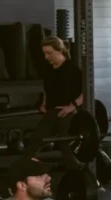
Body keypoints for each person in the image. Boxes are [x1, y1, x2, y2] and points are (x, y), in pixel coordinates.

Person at [23, 36, 84, 169]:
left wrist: (72, 106)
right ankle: (28, 174)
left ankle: (81, 172)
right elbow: (47, 89)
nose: (46, 57)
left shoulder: (72, 69)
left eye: (49, 53)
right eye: (44, 53)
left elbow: (86, 92)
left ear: (60, 51)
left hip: (67, 112)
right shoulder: (48, 70)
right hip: (51, 111)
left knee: (64, 143)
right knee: (35, 141)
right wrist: (44, 103)